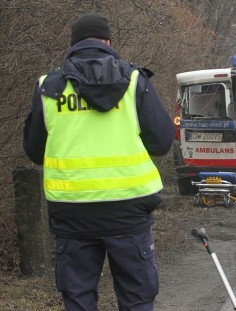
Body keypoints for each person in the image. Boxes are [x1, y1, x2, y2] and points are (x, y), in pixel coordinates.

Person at [23, 12, 174, 310]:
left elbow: (34, 150)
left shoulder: (49, 86)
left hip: (71, 211)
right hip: (128, 210)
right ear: (107, 42)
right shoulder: (133, 81)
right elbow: (161, 141)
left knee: (78, 298)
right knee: (137, 297)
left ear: (73, 44)